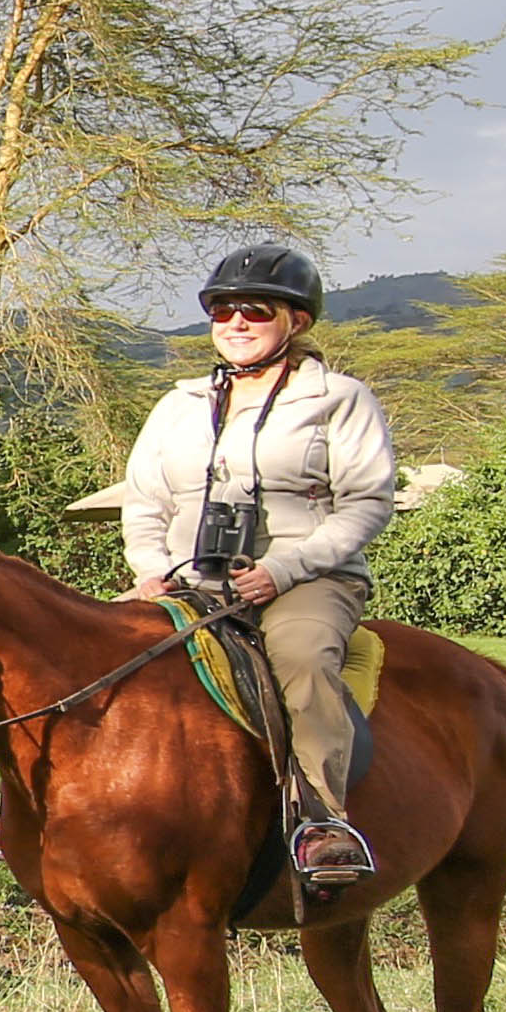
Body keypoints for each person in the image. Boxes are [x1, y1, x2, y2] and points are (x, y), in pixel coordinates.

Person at [118, 241, 406, 888]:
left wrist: (289, 568)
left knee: (300, 657)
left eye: (254, 310)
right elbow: (144, 502)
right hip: (186, 580)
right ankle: (31, 812)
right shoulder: (179, 405)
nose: (235, 324)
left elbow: (366, 503)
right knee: (80, 647)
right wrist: (149, 567)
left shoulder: (339, 398)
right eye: (221, 311)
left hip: (305, 580)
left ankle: (324, 822)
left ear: (296, 321)